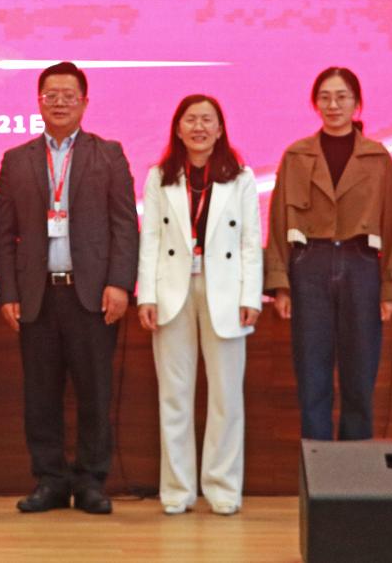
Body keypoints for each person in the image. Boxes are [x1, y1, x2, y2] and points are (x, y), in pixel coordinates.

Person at [0, 62, 138, 515]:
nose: (59, 102)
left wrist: (120, 283)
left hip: (91, 294)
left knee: (95, 393)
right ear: (38, 102)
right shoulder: (16, 160)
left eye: (68, 95)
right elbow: (4, 233)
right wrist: (8, 292)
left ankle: (92, 481)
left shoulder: (108, 154)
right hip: (37, 295)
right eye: (50, 95)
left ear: (84, 102)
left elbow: (124, 226)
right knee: (40, 395)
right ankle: (50, 481)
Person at [265, 67, 392, 441]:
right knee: (312, 376)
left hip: (360, 265)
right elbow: (278, 221)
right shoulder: (296, 155)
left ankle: (355, 469)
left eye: (342, 97)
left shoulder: (377, 157)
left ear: (357, 103)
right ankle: (318, 469)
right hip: (308, 266)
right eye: (325, 97)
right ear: (315, 103)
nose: (333, 105)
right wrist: (280, 284)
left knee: (359, 376)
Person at [137, 95, 262, 516]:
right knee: (174, 395)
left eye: (207, 120)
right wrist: (147, 295)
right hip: (172, 290)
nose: (199, 127)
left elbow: (250, 242)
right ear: (178, 128)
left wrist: (250, 297)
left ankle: (223, 487)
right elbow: (150, 239)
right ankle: (177, 489)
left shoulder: (240, 177)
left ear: (220, 129)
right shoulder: (160, 176)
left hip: (224, 290)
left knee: (226, 396)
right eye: (191, 120)